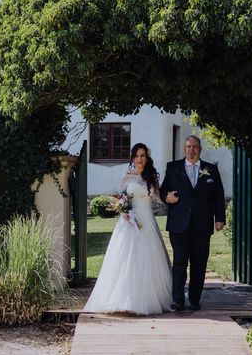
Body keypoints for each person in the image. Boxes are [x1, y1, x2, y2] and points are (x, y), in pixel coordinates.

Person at [83, 143, 172, 315]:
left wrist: (168, 199)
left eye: (143, 155)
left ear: (146, 157)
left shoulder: (151, 176)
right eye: (137, 156)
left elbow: (157, 196)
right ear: (132, 158)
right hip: (129, 222)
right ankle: (124, 299)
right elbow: (120, 198)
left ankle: (146, 299)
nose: (140, 159)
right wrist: (122, 211)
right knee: (126, 258)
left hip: (146, 221)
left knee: (147, 258)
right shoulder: (127, 176)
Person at [160, 135, 225, 311]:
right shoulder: (173, 168)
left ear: (200, 149)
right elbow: (163, 190)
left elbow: (218, 195)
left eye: (195, 147)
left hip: (202, 225)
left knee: (199, 263)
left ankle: (195, 299)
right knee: (180, 262)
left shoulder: (210, 169)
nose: (192, 150)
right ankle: (178, 300)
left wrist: (220, 218)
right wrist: (167, 197)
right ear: (184, 149)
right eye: (188, 147)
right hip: (179, 224)